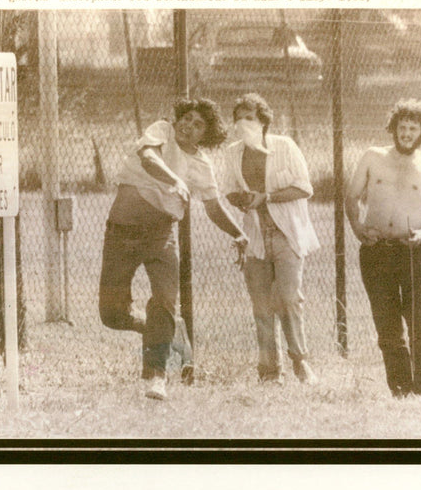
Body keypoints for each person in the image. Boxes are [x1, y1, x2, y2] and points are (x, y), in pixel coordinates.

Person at [99, 98, 249, 401]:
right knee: (112, 314)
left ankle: (156, 377)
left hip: (161, 236)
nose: (188, 126)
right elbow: (148, 159)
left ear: (205, 135)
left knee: (164, 300)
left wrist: (240, 234)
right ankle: (170, 331)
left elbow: (213, 206)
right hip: (121, 234)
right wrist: (176, 180)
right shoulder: (162, 130)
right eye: (187, 118)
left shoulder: (202, 164)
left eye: (197, 125)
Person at [345, 98, 421, 398]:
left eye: (413, 128)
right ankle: (401, 388)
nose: (407, 133)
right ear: (394, 129)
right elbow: (351, 198)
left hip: (414, 250)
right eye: (402, 127)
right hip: (377, 251)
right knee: (387, 324)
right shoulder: (372, 156)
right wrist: (358, 228)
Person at [223, 93, 320, 385]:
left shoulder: (284, 146)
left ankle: (300, 363)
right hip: (255, 236)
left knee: (289, 298)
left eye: (249, 117)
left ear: (263, 121)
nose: (243, 123)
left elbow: (304, 188)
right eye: (238, 118)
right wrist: (242, 199)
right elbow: (228, 189)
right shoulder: (232, 152)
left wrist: (267, 197)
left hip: (286, 233)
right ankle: (268, 372)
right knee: (261, 305)